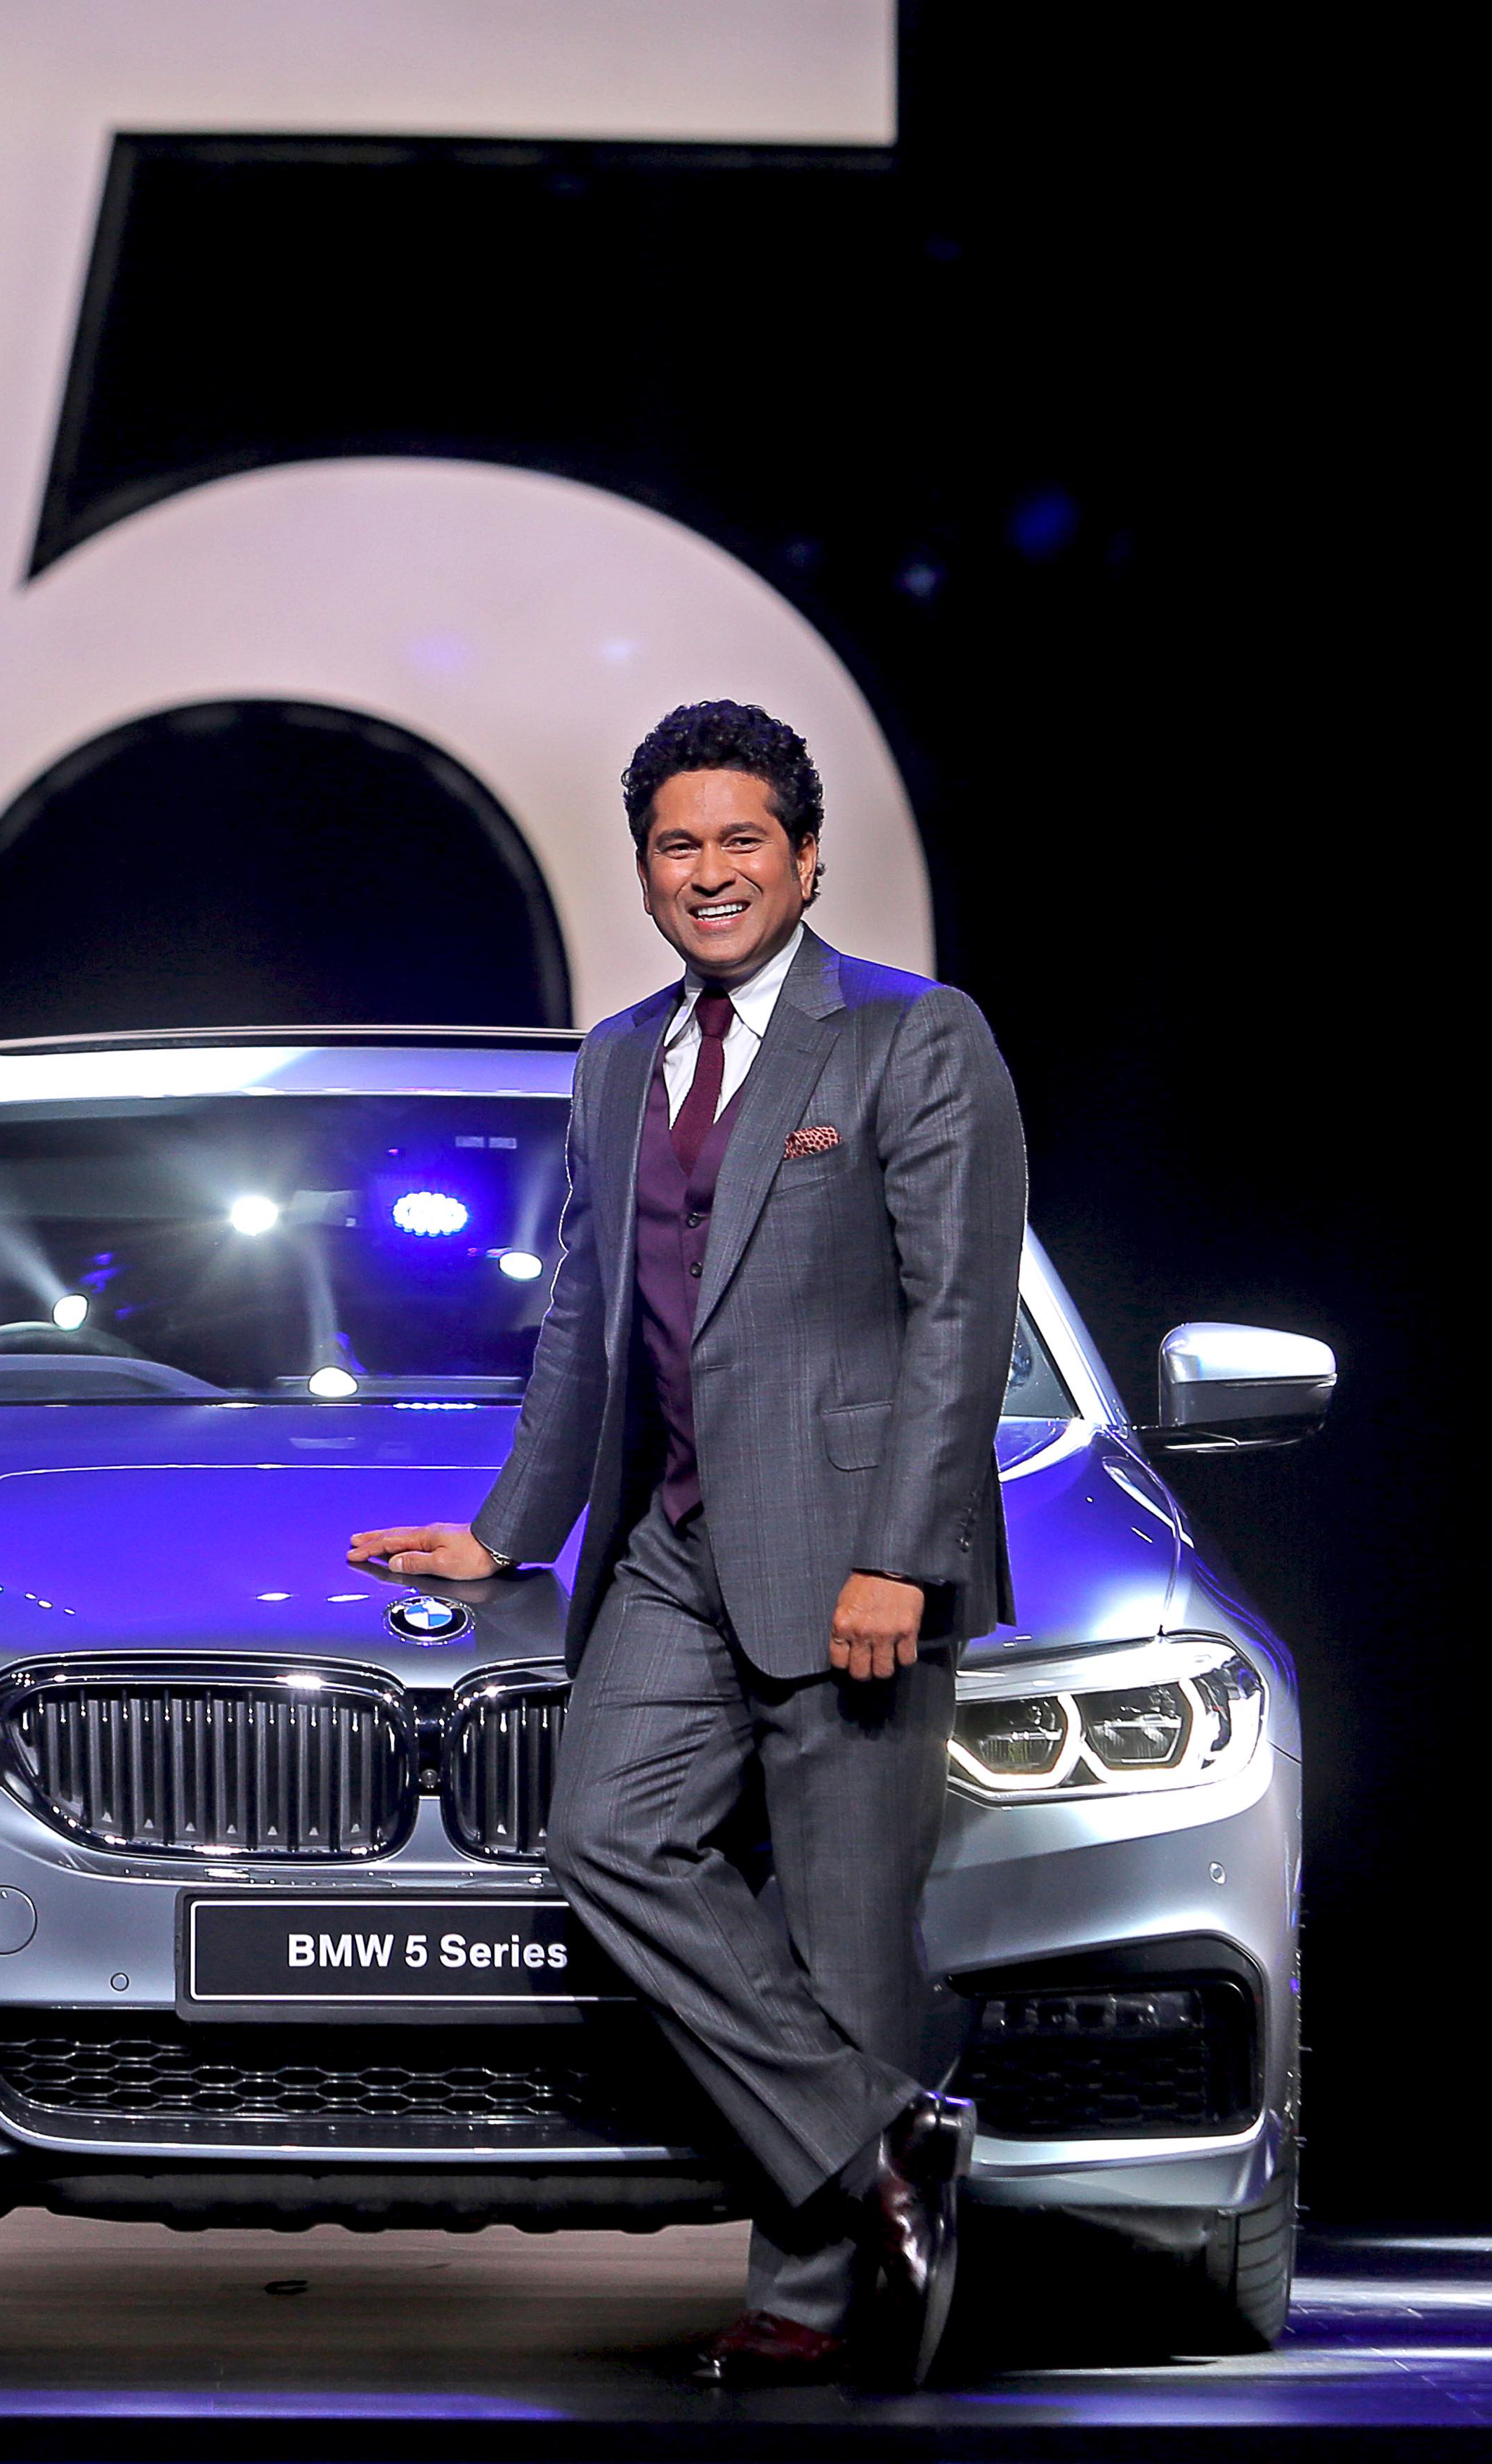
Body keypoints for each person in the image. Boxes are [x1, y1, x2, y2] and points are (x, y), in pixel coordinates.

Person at [349, 698, 1025, 2390]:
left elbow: (961, 1320)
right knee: (608, 1839)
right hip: (670, 1548)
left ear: (807, 859)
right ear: (644, 869)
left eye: (742, 841)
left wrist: (902, 1555)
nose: (710, 872)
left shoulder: (913, 1037)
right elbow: (586, 1319)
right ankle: (884, 2139)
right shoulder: (614, 1060)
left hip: (855, 1560)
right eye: (677, 845)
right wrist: (508, 1530)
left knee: (847, 1942)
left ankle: (816, 2306)